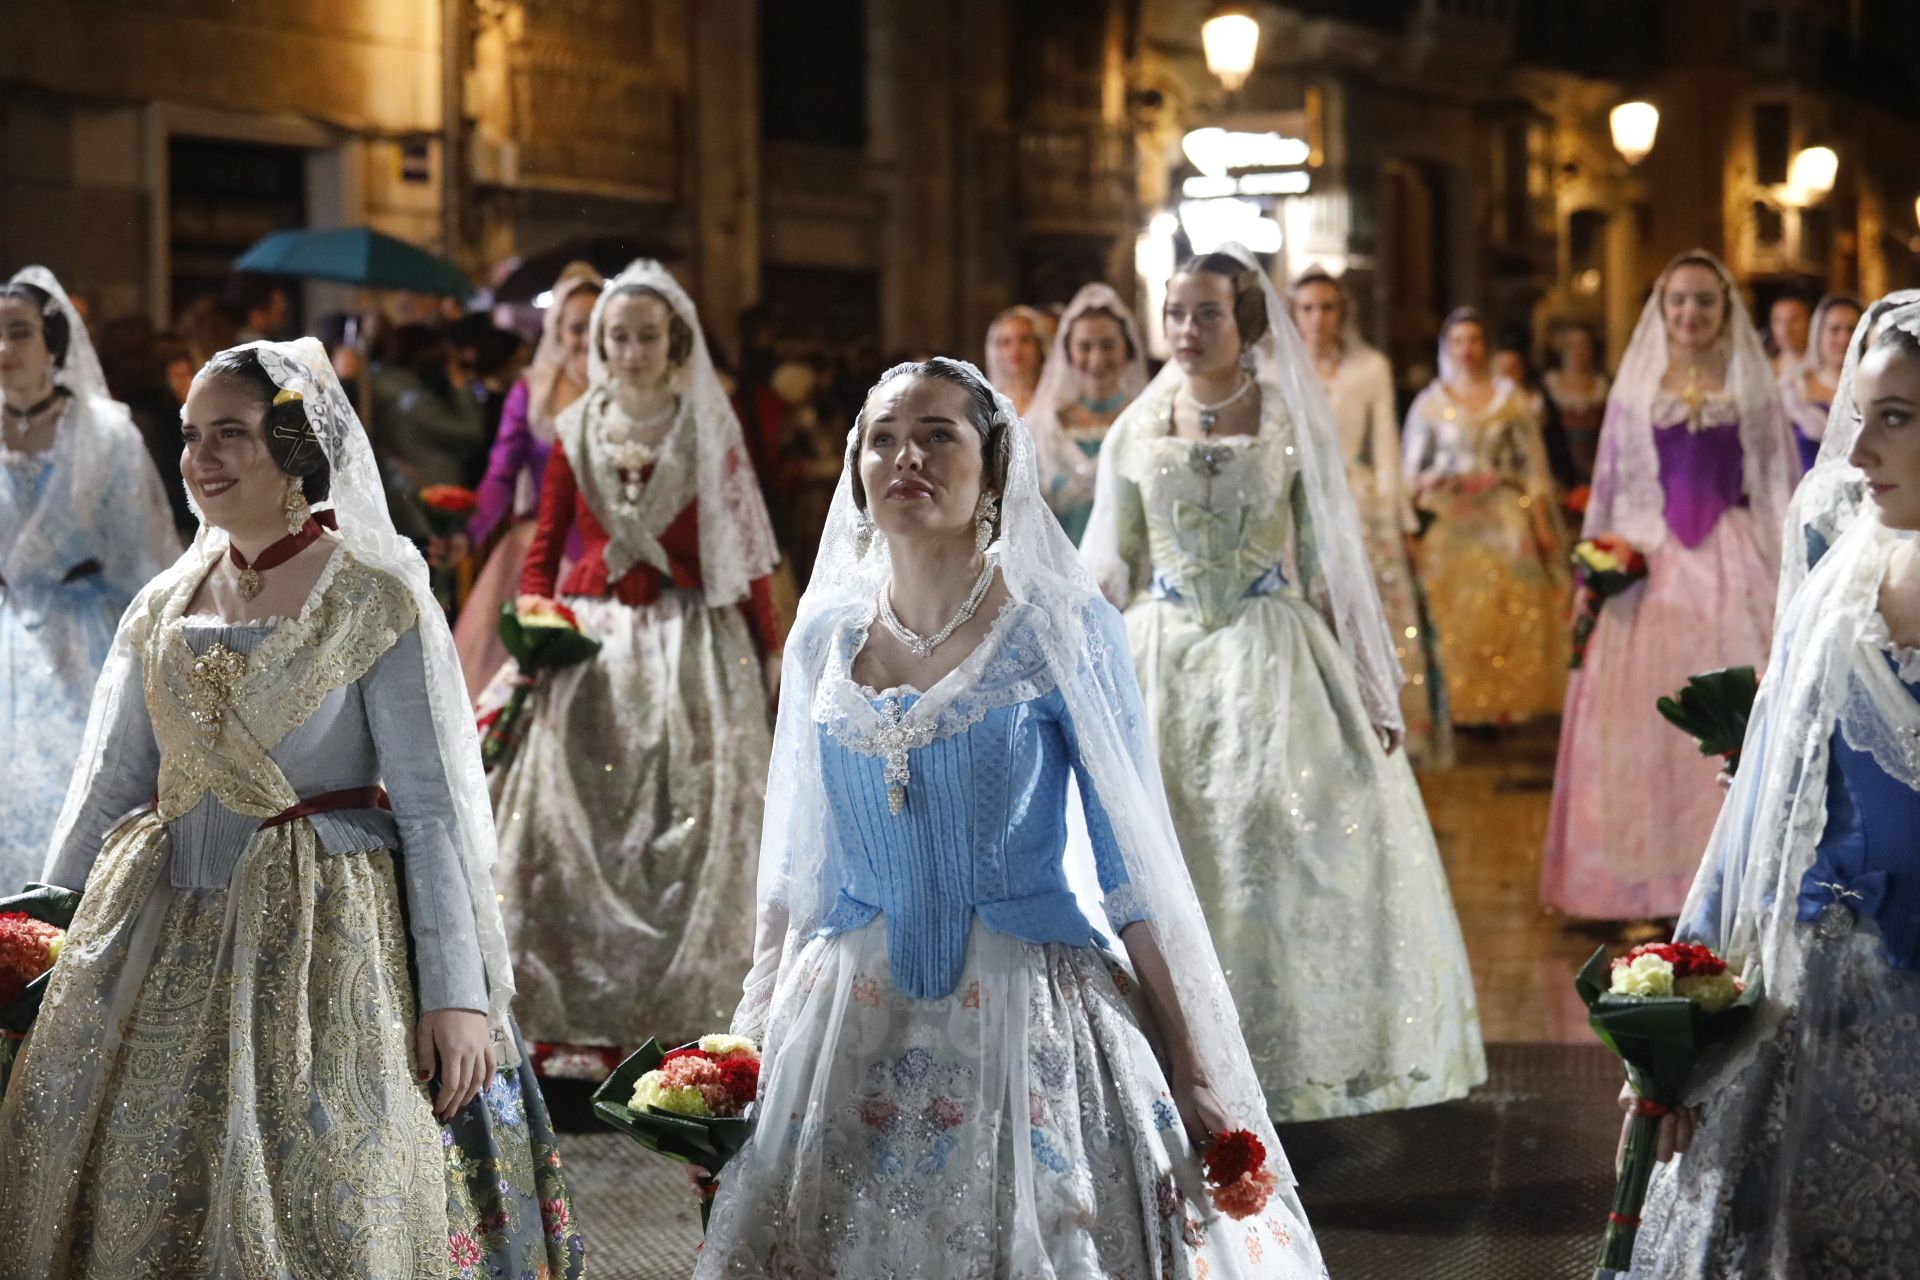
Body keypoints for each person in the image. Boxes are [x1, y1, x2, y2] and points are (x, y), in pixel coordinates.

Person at [698, 355, 1326, 1277]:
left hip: (1029, 1012)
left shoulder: (1062, 627)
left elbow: (1131, 874)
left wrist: (1194, 1065)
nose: (905, 457)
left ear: (993, 470)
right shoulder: (825, 638)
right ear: (856, 468)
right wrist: (747, 1040)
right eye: (883, 439)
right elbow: (799, 868)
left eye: (937, 435)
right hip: (843, 1018)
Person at [0, 337, 583, 1278]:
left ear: (295, 450)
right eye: (192, 436)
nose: (202, 458)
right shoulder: (162, 603)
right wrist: (36, 936)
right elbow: (111, 784)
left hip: (321, 940)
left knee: (327, 1182)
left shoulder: (371, 597)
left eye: (231, 434)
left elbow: (430, 809)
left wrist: (457, 996)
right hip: (163, 916)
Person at [1082, 245, 1485, 1119]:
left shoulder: (1291, 424)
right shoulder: (1139, 428)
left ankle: (1281, 1058)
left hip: (1275, 648)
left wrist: (1376, 684)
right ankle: (1175, 1058)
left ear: (1247, 324)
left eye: (1208, 314)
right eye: (1177, 313)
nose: (1187, 331)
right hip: (1163, 654)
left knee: (1279, 843)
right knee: (1170, 851)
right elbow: (1110, 565)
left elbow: (1338, 562)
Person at [1621, 291, 1920, 1277]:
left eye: (1897, 418)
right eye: (1860, 415)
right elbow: (1765, 796)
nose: (1860, 450)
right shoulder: (1841, 581)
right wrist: (1687, 1001)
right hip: (1806, 975)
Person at [487, 260, 781, 1071]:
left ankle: (685, 1006)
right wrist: (535, 624)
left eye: (648, 335)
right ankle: (577, 1016)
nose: (632, 348)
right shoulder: (577, 425)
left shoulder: (707, 426)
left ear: (674, 340)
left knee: (687, 816)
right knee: (584, 816)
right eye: (618, 335)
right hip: (597, 645)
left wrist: (771, 644)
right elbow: (546, 541)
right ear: (598, 343)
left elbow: (747, 547)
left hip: (691, 641)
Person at [1543, 251, 1794, 921]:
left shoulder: (1753, 383)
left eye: (1704, 301)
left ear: (1724, 307)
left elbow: (1775, 485)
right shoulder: (1636, 385)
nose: (1690, 313)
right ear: (1660, 307)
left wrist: (1791, 573)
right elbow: (1611, 482)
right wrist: (1594, 568)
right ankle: (1643, 888)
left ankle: (1732, 882)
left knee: (1734, 719)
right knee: (1646, 729)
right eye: (1678, 300)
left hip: (1734, 562)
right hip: (1654, 567)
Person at [0, 268, 179, 888]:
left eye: (19, 333)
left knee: (82, 791)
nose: (4, 350)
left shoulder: (105, 433)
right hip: (6, 631)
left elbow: (145, 554)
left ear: (53, 341)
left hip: (85, 637)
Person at [1291, 266, 1450, 764]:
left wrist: (1393, 522)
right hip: (1293, 506)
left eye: (1328, 307)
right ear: (1293, 313)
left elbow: (1384, 449)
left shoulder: (1371, 368)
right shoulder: (1273, 369)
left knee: (1375, 613)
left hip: (1355, 504)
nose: (1318, 319)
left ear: (1344, 313)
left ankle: (1381, 724)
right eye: (1308, 308)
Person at [1404, 307, 1571, 728]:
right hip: (1450, 511)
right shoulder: (1431, 402)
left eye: (1474, 340)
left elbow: (1533, 466)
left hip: (1499, 508)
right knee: (1453, 600)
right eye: (1458, 341)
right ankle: (1458, 701)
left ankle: (1506, 701)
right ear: (1447, 347)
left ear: (1486, 347)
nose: (1467, 350)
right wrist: (1428, 487)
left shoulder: (1508, 400)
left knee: (1509, 595)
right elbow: (1410, 467)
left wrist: (1541, 521)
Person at [453, 264, 602, 697]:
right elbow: (501, 474)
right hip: (539, 549)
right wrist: (470, 533)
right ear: (557, 329)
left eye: (598, 325)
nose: (587, 339)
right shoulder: (531, 391)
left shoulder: (626, 392)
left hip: (606, 556)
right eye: (577, 327)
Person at [1026, 283, 1148, 544]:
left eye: (1108, 346)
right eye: (1085, 346)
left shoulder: (1145, 420)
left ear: (1127, 348)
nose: (1096, 359)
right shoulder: (1047, 426)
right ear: (1068, 351)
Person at [1779, 292, 1862, 477]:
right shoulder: (1794, 390)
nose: (1844, 338)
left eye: (1852, 329)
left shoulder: (1875, 390)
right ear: (1819, 334)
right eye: (1835, 329)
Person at [1543, 322, 1611, 487]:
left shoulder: (1603, 386)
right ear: (1562, 349)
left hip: (1598, 470)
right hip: (1560, 470)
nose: (1579, 351)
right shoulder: (1548, 385)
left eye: (1584, 345)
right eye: (1572, 346)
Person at [983, 304, 1050, 417]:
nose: (1015, 350)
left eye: (1024, 340)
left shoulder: (1055, 398)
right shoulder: (989, 404)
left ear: (1040, 345)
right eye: (1006, 342)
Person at [1766, 294, 1811, 382]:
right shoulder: (1765, 368)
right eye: (1778, 321)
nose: (1786, 330)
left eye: (1794, 320)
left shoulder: (1822, 369)